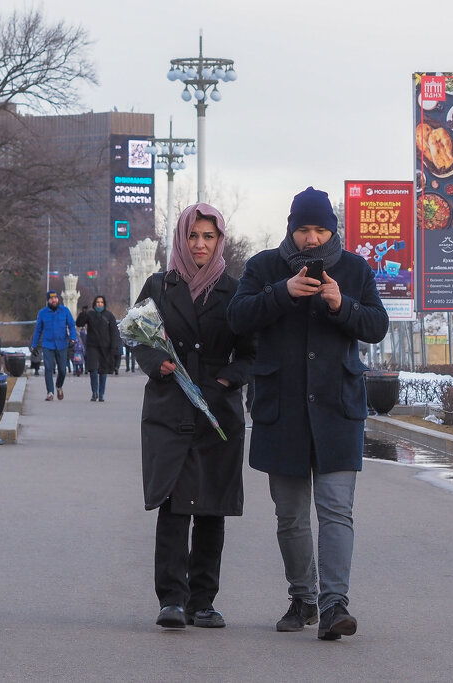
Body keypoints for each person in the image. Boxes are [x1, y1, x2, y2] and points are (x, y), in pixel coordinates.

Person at [227, 187, 388, 640]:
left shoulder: (354, 269)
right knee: (291, 515)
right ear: (290, 229)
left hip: (338, 409)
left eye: (320, 229)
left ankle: (335, 604)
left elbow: (377, 325)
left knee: (337, 510)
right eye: (303, 229)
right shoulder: (263, 267)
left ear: (332, 230)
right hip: (283, 411)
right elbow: (237, 318)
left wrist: (342, 305)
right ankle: (303, 598)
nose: (312, 239)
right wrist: (282, 293)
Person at [133, 203, 255, 630]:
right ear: (181, 239)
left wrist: (226, 380)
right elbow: (135, 335)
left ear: (220, 240)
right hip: (170, 410)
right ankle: (171, 599)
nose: (199, 244)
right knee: (174, 505)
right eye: (192, 236)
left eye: (208, 237)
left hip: (217, 415)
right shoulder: (158, 286)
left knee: (210, 509)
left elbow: (252, 354)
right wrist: (156, 362)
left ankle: (203, 601)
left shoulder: (237, 291)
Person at [30, 290, 77, 401]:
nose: (54, 300)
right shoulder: (42, 313)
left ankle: (59, 386)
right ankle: (50, 392)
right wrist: (34, 345)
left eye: (55, 298)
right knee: (48, 368)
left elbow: (71, 325)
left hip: (62, 344)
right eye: (51, 298)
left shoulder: (64, 311)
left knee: (62, 370)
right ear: (48, 300)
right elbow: (38, 330)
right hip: (48, 344)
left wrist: (73, 339)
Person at [75, 295, 120, 402]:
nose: (99, 304)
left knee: (103, 371)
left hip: (105, 347)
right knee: (93, 369)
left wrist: (114, 346)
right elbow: (79, 323)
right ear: (94, 304)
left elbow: (114, 332)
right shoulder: (90, 314)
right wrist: (83, 313)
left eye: (101, 302)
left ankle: (101, 394)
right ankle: (94, 392)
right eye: (97, 302)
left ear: (104, 304)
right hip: (92, 346)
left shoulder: (109, 316)